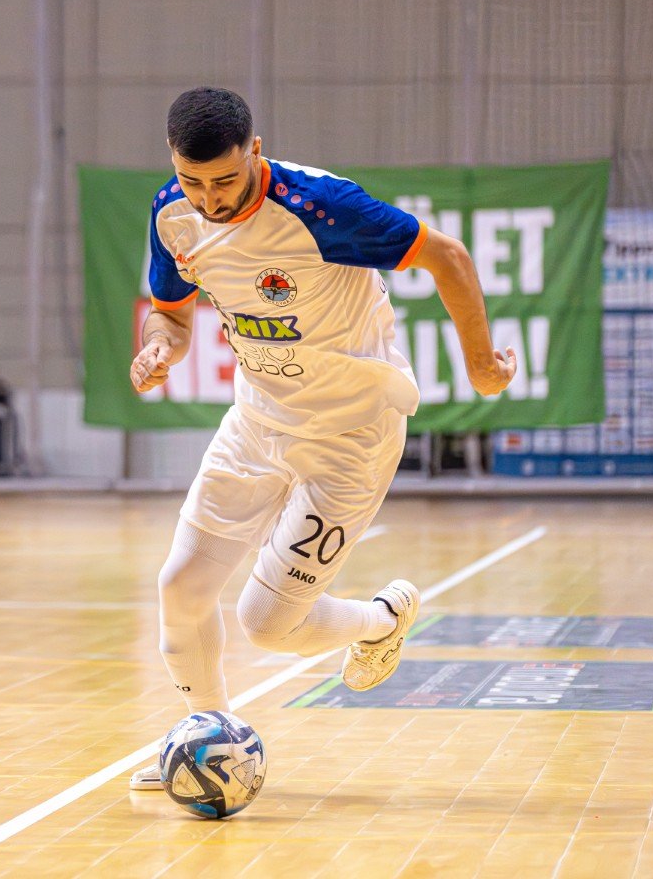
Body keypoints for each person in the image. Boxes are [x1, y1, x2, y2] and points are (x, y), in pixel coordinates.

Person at [125, 86, 514, 789]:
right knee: (181, 588)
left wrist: (483, 367)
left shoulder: (320, 209)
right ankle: (209, 738)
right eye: (193, 181)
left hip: (350, 434)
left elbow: (448, 258)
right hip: (257, 421)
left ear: (255, 152)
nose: (210, 198)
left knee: (268, 627)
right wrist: (159, 347)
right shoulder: (172, 214)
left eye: (225, 180)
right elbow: (173, 317)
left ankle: (381, 618)